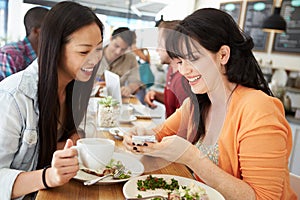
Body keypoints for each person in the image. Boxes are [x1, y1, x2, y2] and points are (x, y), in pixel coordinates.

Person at [123, 8, 296, 199]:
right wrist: (140, 135)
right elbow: (158, 135)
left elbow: (264, 197)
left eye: (194, 58)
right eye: (180, 61)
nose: (184, 70)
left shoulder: (259, 109)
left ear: (223, 55)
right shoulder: (196, 103)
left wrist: (192, 157)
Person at [0, 1, 104, 199]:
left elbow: (74, 137)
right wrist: (48, 177)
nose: (95, 60)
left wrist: (74, 142)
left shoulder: (76, 86)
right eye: (84, 52)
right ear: (55, 48)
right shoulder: (13, 96)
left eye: (98, 49)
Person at [144, 20, 190, 118]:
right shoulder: (171, 70)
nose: (157, 50)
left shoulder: (183, 80)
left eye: (160, 45)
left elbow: (184, 123)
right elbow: (173, 102)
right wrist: (156, 95)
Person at [0, 6, 49, 81]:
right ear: (36, 31)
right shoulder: (10, 54)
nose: (56, 34)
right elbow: (9, 91)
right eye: (51, 30)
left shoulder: (47, 55)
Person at [97, 27, 143, 98]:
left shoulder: (131, 59)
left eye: (123, 49)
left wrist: (129, 89)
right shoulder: (94, 54)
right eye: (116, 46)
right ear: (111, 38)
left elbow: (135, 82)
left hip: (115, 100)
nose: (118, 52)